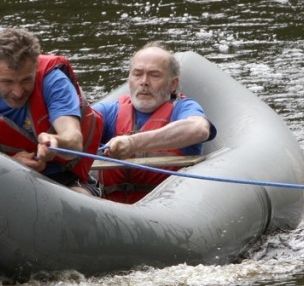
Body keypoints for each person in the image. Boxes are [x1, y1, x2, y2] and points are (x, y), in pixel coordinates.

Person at [0, 27, 103, 196]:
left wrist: (56, 143)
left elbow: (74, 139)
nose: (17, 92)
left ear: (35, 68)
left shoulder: (54, 82)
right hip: (5, 176)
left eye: (26, 80)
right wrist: (10, 163)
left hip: (63, 176)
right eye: (7, 82)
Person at [93, 42, 217, 203]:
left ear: (173, 84)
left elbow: (199, 129)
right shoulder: (110, 111)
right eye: (137, 74)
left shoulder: (183, 108)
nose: (144, 82)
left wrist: (133, 142)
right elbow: (80, 127)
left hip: (166, 210)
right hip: (111, 211)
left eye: (154, 75)